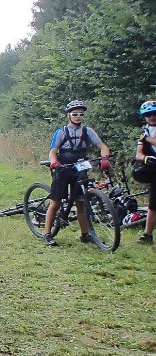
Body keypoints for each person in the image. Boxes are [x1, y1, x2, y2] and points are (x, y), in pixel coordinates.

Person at [43, 100, 111, 246]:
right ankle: (47, 234)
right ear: (69, 115)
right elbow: (53, 152)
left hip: (80, 168)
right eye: (75, 114)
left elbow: (102, 146)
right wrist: (55, 163)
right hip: (63, 168)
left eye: (81, 114)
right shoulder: (61, 132)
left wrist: (105, 158)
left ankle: (85, 234)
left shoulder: (88, 131)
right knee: (55, 202)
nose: (78, 116)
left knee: (81, 203)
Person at [133, 99, 156, 244]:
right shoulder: (145, 130)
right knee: (153, 204)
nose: (152, 117)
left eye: (154, 114)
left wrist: (147, 139)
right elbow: (138, 154)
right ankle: (147, 235)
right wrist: (145, 158)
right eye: (148, 115)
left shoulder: (145, 134)